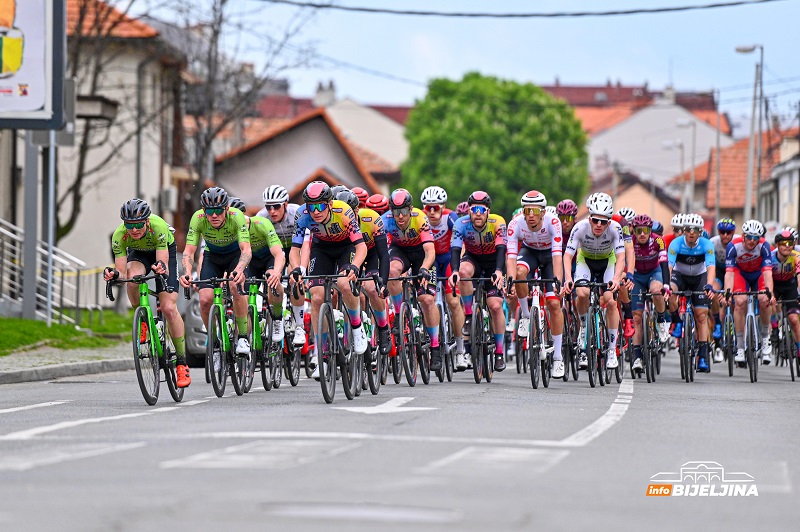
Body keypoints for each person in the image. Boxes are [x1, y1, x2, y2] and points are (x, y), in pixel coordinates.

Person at [105, 199, 190, 388]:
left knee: (168, 308)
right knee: (133, 277)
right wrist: (113, 275)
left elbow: (162, 262)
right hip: (139, 253)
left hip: (163, 252)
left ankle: (182, 362)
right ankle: (142, 318)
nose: (134, 230)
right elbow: (121, 271)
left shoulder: (159, 227)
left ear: (147, 221)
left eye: (138, 225)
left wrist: (161, 270)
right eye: (129, 225)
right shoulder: (119, 236)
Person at [289, 181, 370, 378]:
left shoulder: (344, 212)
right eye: (311, 206)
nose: (315, 211)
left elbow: (361, 247)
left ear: (330, 204)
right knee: (316, 297)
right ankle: (323, 355)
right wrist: (298, 268)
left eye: (320, 206)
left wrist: (355, 267)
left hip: (346, 247)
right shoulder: (302, 214)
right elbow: (295, 249)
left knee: (343, 283)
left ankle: (357, 326)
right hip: (322, 248)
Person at [180, 187, 252, 373]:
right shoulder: (198, 218)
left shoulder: (236, 217)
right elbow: (189, 251)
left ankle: (243, 336)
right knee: (205, 300)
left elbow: (246, 250)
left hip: (235, 254)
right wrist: (187, 272)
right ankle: (215, 344)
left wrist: (238, 270)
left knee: (236, 286)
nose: (213, 215)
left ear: (226, 209)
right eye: (209, 211)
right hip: (213, 257)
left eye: (218, 211)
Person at [505, 191, 565, 378]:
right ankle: (524, 315)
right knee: (520, 273)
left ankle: (557, 357)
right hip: (529, 252)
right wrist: (510, 283)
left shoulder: (553, 222)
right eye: (527, 210)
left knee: (554, 304)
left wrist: (558, 282)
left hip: (549, 256)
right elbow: (511, 258)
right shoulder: (515, 224)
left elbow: (557, 256)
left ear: (543, 212)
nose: (530, 214)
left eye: (534, 211)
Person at [383, 189, 443, 371]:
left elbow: (430, 252)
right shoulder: (385, 220)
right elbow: (382, 252)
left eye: (404, 211)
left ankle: (435, 347)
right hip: (399, 251)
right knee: (392, 271)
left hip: (420, 255)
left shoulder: (420, 218)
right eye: (396, 212)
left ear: (410, 209)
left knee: (426, 299)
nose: (400, 216)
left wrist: (424, 268)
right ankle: (401, 314)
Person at [563, 193, 626, 369]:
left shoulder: (616, 228)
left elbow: (621, 257)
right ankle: (584, 326)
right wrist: (568, 278)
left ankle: (612, 350)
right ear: (590, 218)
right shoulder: (579, 228)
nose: (599, 225)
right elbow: (568, 256)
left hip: (608, 262)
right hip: (586, 261)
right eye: (596, 220)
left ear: (609, 221)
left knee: (611, 301)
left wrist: (616, 278)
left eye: (604, 221)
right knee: (582, 293)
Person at [449, 191, 509, 371]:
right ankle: (468, 316)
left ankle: (499, 352)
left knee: (495, 306)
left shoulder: (497, 223)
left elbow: (501, 249)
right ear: (468, 210)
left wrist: (499, 271)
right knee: (463, 271)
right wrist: (454, 272)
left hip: (494, 262)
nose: (477, 213)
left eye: (481, 210)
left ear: (488, 211)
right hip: (473, 258)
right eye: (473, 209)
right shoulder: (461, 223)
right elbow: (455, 250)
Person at [337, 189, 392, 358]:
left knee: (371, 288)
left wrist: (382, 282)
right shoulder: (336, 223)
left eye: (351, 211)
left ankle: (383, 329)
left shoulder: (371, 218)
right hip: (351, 254)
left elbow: (384, 254)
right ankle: (343, 335)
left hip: (372, 253)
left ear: (357, 210)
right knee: (342, 286)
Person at [421, 186, 467, 369]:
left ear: (443, 206)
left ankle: (461, 351)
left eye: (436, 208)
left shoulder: (451, 217)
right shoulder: (421, 220)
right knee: (428, 299)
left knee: (454, 303)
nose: (432, 212)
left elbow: (460, 243)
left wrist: (459, 263)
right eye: (428, 208)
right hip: (431, 260)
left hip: (449, 258)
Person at [256, 185, 308, 346]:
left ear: (285, 204)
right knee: (272, 278)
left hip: (295, 249)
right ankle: (276, 317)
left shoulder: (297, 214)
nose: (272, 211)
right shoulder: (261, 217)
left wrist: (302, 269)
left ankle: (299, 326)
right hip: (275, 251)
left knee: (295, 277)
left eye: (276, 206)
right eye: (268, 206)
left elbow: (305, 245)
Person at [230, 197, 286, 343]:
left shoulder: (261, 223)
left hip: (269, 258)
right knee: (243, 295)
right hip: (250, 262)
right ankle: (245, 341)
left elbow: (279, 253)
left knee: (272, 280)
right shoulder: (228, 231)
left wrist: (277, 272)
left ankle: (278, 318)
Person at [722, 219, 775, 365]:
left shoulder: (764, 246)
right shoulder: (733, 246)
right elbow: (730, 273)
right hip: (741, 274)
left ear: (760, 238)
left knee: (764, 299)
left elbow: (768, 272)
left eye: (756, 237)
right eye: (749, 237)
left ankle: (765, 337)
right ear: (743, 235)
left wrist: (770, 292)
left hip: (758, 274)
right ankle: (739, 346)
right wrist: (728, 292)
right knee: (739, 302)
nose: (752, 241)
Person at [667, 213, 715, 372]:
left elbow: (711, 267)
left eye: (695, 230)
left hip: (699, 277)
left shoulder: (707, 245)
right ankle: (677, 321)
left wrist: (709, 285)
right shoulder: (676, 243)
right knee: (670, 292)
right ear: (684, 230)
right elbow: (669, 267)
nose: (691, 233)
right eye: (688, 229)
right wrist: (667, 285)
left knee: (701, 314)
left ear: (700, 231)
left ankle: (702, 356)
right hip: (679, 275)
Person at [629, 214, 670, 372]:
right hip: (637, 275)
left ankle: (660, 320)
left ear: (650, 230)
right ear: (634, 231)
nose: (642, 234)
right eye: (638, 231)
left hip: (655, 271)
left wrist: (666, 284)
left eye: (645, 230)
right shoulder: (630, 241)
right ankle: (637, 356)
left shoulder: (658, 241)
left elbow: (664, 264)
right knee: (637, 318)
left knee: (656, 291)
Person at [709, 218, 738, 361]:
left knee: (738, 300)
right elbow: (710, 267)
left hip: (735, 272)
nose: (725, 235)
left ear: (734, 232)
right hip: (719, 272)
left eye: (729, 232)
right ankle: (718, 325)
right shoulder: (713, 243)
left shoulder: (739, 242)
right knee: (713, 293)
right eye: (722, 232)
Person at [770, 229, 800, 361]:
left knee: (794, 319)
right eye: (783, 243)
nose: (787, 246)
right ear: (777, 245)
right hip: (774, 285)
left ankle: (799, 349)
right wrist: (770, 294)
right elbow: (766, 278)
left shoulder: (796, 256)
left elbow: (799, 276)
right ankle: (775, 328)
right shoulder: (770, 257)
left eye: (790, 243)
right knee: (768, 301)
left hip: (790, 286)